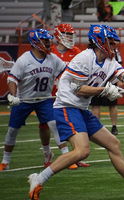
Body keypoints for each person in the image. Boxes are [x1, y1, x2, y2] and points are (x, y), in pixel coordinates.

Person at [28, 24, 124, 200]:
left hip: (81, 109)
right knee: (82, 151)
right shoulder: (84, 58)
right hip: (67, 107)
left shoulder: (110, 62)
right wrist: (104, 90)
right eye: (111, 42)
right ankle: (39, 179)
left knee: (113, 144)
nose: (114, 46)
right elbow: (77, 89)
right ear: (99, 41)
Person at [0, 29, 67, 171]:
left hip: (45, 98)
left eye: (48, 40)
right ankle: (5, 160)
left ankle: (65, 156)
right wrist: (13, 96)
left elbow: (66, 73)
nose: (49, 43)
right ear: (36, 42)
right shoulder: (24, 59)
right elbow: (12, 79)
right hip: (25, 99)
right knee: (13, 130)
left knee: (54, 124)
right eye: (45, 40)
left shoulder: (53, 58)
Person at [38, 23, 90, 169]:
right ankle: (48, 153)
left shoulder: (77, 52)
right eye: (67, 35)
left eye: (71, 35)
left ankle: (73, 156)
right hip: (50, 94)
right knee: (45, 125)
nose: (69, 38)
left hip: (69, 95)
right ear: (58, 36)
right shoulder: (50, 52)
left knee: (73, 126)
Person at [90, 47, 123, 136]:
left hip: (110, 79)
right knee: (95, 104)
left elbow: (119, 63)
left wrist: (119, 80)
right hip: (96, 79)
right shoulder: (90, 52)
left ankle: (114, 126)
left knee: (112, 104)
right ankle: (95, 126)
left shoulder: (114, 49)